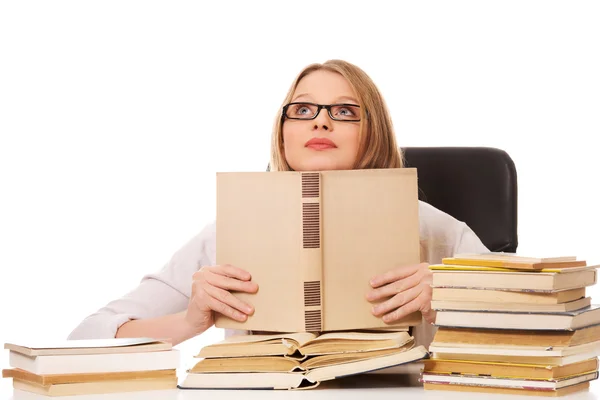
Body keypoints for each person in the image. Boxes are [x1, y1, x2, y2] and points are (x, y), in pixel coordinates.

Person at [68, 59, 488, 348]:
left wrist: (455, 300)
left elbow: (548, 333)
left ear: (373, 132)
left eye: (344, 111)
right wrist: (188, 322)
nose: (320, 121)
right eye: (302, 109)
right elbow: (86, 338)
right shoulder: (226, 235)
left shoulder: (437, 231)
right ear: (283, 133)